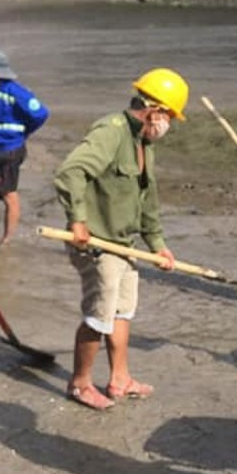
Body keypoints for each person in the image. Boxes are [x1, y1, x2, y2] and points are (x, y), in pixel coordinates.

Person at [53, 68, 187, 411]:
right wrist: (78, 220)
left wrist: (157, 244)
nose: (168, 125)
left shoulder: (144, 143)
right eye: (169, 116)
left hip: (124, 244)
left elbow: (147, 201)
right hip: (98, 243)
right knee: (99, 315)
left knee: (122, 312)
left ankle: (120, 379)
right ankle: (80, 383)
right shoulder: (111, 132)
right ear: (153, 109)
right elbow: (71, 172)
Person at [0, 50, 49, 245]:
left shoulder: (15, 91)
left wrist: (24, 132)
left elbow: (40, 113)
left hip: (10, 149)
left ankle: (7, 239)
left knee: (8, 194)